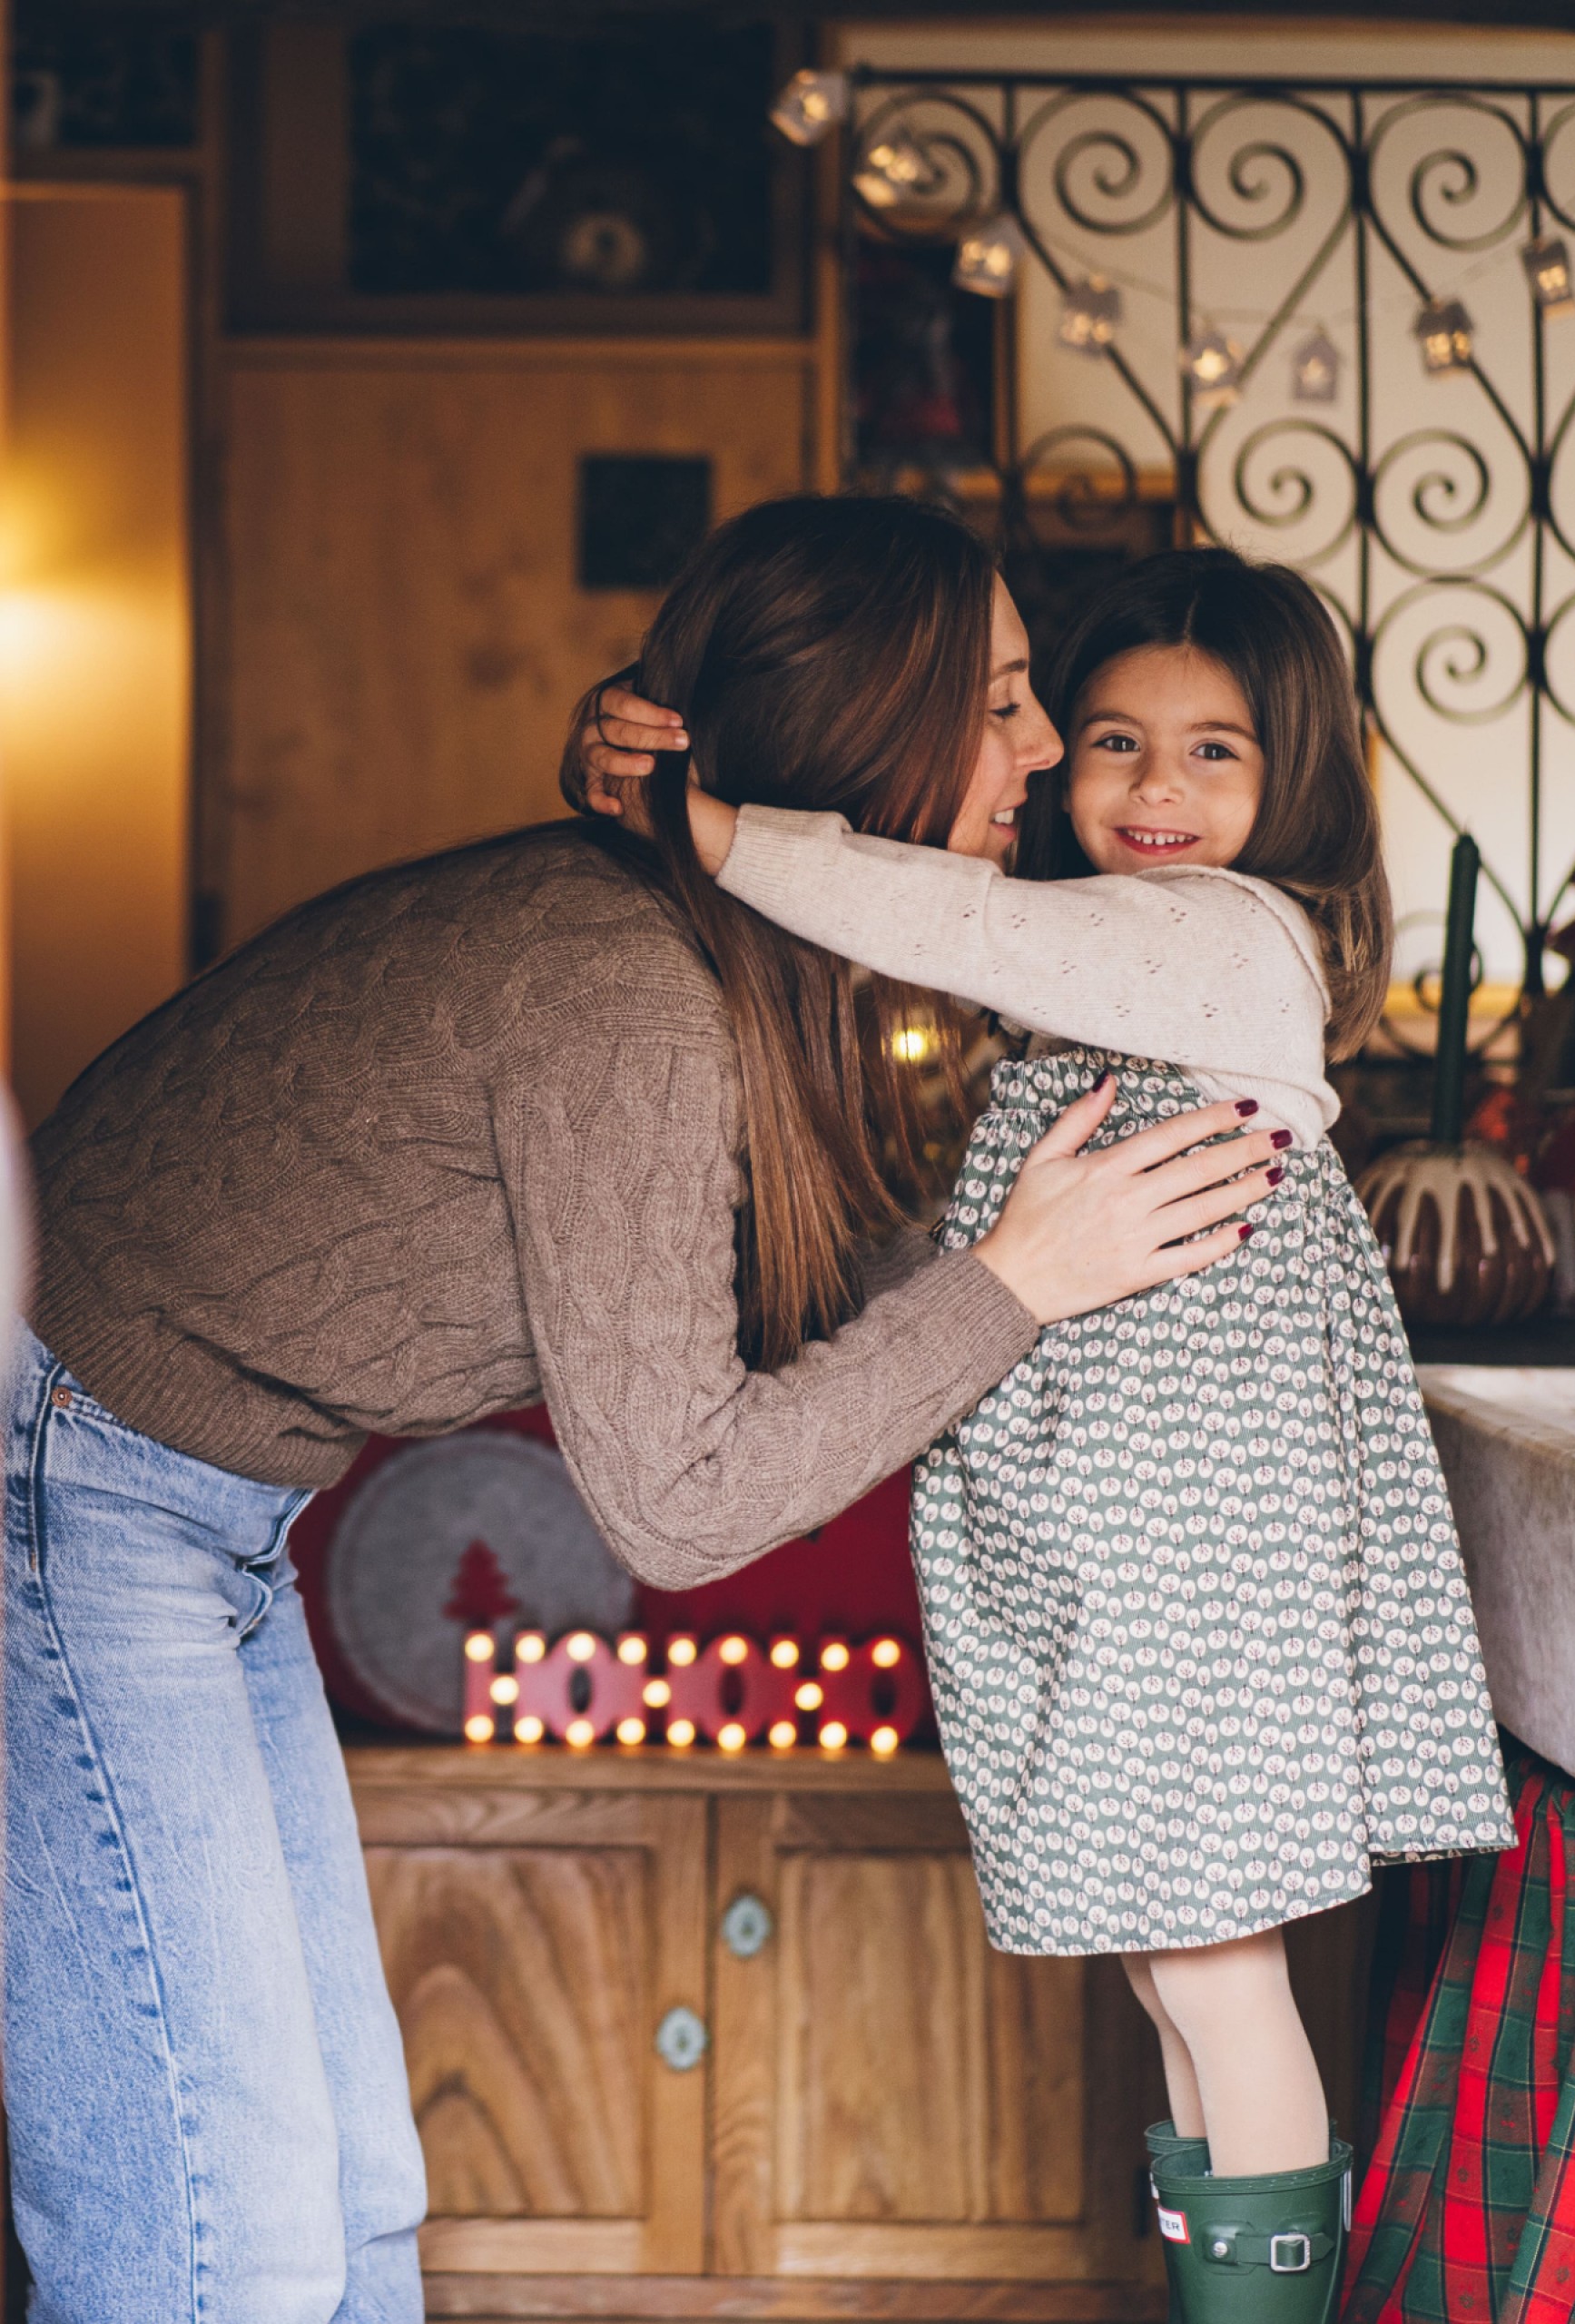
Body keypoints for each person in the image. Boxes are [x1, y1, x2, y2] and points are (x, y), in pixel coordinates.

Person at [9, 497, 1281, 2324]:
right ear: (870, 727)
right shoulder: (626, 992)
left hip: (203, 1505)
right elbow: (680, 1505)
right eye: (999, 702)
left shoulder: (731, 958)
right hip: (68, 1480)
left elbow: (796, 1317)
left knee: (358, 2210)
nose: (1038, 749)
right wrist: (1019, 1275)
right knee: (225, 2250)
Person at [578, 542, 1516, 2324]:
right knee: (1187, 1972)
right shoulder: (1105, 974)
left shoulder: (1223, 942)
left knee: (1221, 1972)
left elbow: (958, 917)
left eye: (1214, 750)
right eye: (1111, 738)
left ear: (1294, 779)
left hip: (1194, 1545)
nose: (1154, 787)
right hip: (1140, 1527)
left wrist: (707, 822)